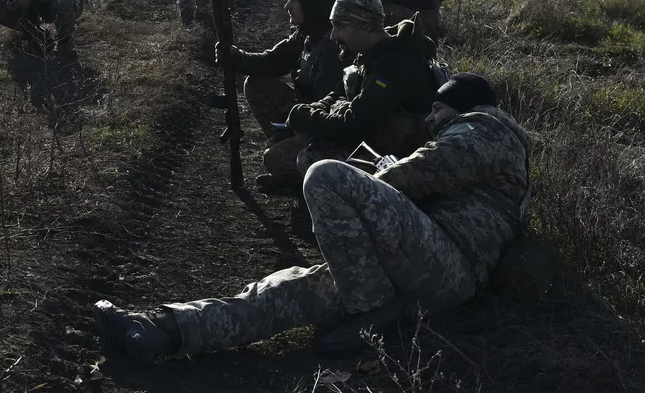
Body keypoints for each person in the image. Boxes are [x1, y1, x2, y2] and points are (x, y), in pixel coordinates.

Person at [95, 73, 531, 361]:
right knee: (283, 291)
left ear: (465, 104)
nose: (431, 118)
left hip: (446, 264)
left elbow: (429, 170)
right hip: (414, 271)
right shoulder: (477, 138)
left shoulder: (487, 127)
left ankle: (370, 310)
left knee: (326, 175)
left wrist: (380, 176)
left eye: (438, 109)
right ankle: (157, 331)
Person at [277, 0, 443, 187]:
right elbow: (341, 89)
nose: (333, 36)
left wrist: (304, 117)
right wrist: (314, 111)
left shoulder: (393, 65)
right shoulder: (370, 52)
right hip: (372, 140)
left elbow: (353, 126)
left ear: (364, 25)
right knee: (277, 157)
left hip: (400, 159)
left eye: (340, 27)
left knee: (310, 158)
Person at [215, 0, 344, 183]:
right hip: (305, 114)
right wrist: (235, 56)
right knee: (256, 82)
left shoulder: (333, 48)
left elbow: (330, 113)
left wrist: (302, 129)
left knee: (274, 159)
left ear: (312, 4)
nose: (287, 6)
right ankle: (285, 144)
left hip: (324, 128)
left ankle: (303, 178)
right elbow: (272, 61)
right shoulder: (305, 34)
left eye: (294, 0)